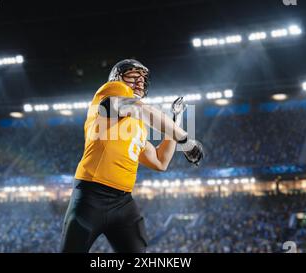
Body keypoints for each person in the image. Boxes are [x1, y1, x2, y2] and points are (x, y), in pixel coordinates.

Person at [60, 59, 204, 253]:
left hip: (123, 202)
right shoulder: (111, 90)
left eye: (143, 78)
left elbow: (160, 162)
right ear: (117, 78)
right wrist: (184, 140)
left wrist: (176, 121)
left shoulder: (137, 126)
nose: (140, 81)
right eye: (134, 75)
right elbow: (137, 108)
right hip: (91, 195)